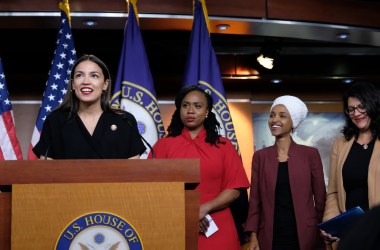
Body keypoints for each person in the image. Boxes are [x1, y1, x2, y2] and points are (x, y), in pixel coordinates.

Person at [148, 85, 250, 250]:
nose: (190, 110)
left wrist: (204, 209)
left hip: (218, 227)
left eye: (197, 106)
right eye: (185, 105)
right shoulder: (163, 146)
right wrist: (189, 212)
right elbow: (152, 189)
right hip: (175, 225)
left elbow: (234, 189)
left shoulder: (224, 146)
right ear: (179, 109)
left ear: (207, 111)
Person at [244, 95, 326, 250]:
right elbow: (255, 200)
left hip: (306, 236)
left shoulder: (310, 154)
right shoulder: (260, 157)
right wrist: (253, 235)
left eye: (282, 116)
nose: (275, 120)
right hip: (269, 237)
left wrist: (324, 228)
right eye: (272, 115)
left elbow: (320, 199)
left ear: (293, 122)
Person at [32, 54, 146, 159]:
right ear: (72, 84)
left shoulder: (125, 121)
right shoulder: (55, 120)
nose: (86, 81)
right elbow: (45, 171)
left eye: (94, 76)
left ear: (105, 85)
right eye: (79, 75)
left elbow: (134, 172)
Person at [321, 82, 380, 248]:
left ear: (374, 105)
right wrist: (330, 224)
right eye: (351, 109)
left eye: (362, 106)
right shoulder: (340, 144)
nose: (357, 113)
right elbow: (333, 192)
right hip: (350, 234)